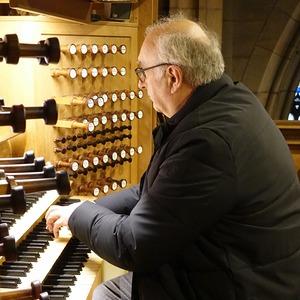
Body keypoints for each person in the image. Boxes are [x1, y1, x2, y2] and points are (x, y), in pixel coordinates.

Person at [45, 15, 300, 300]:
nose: (140, 84)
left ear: (173, 77)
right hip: (238, 272)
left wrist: (81, 215)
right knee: (107, 291)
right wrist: (87, 208)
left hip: (237, 288)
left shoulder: (207, 143)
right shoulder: (230, 101)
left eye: (142, 71)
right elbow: (151, 191)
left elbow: (133, 246)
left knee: (106, 295)